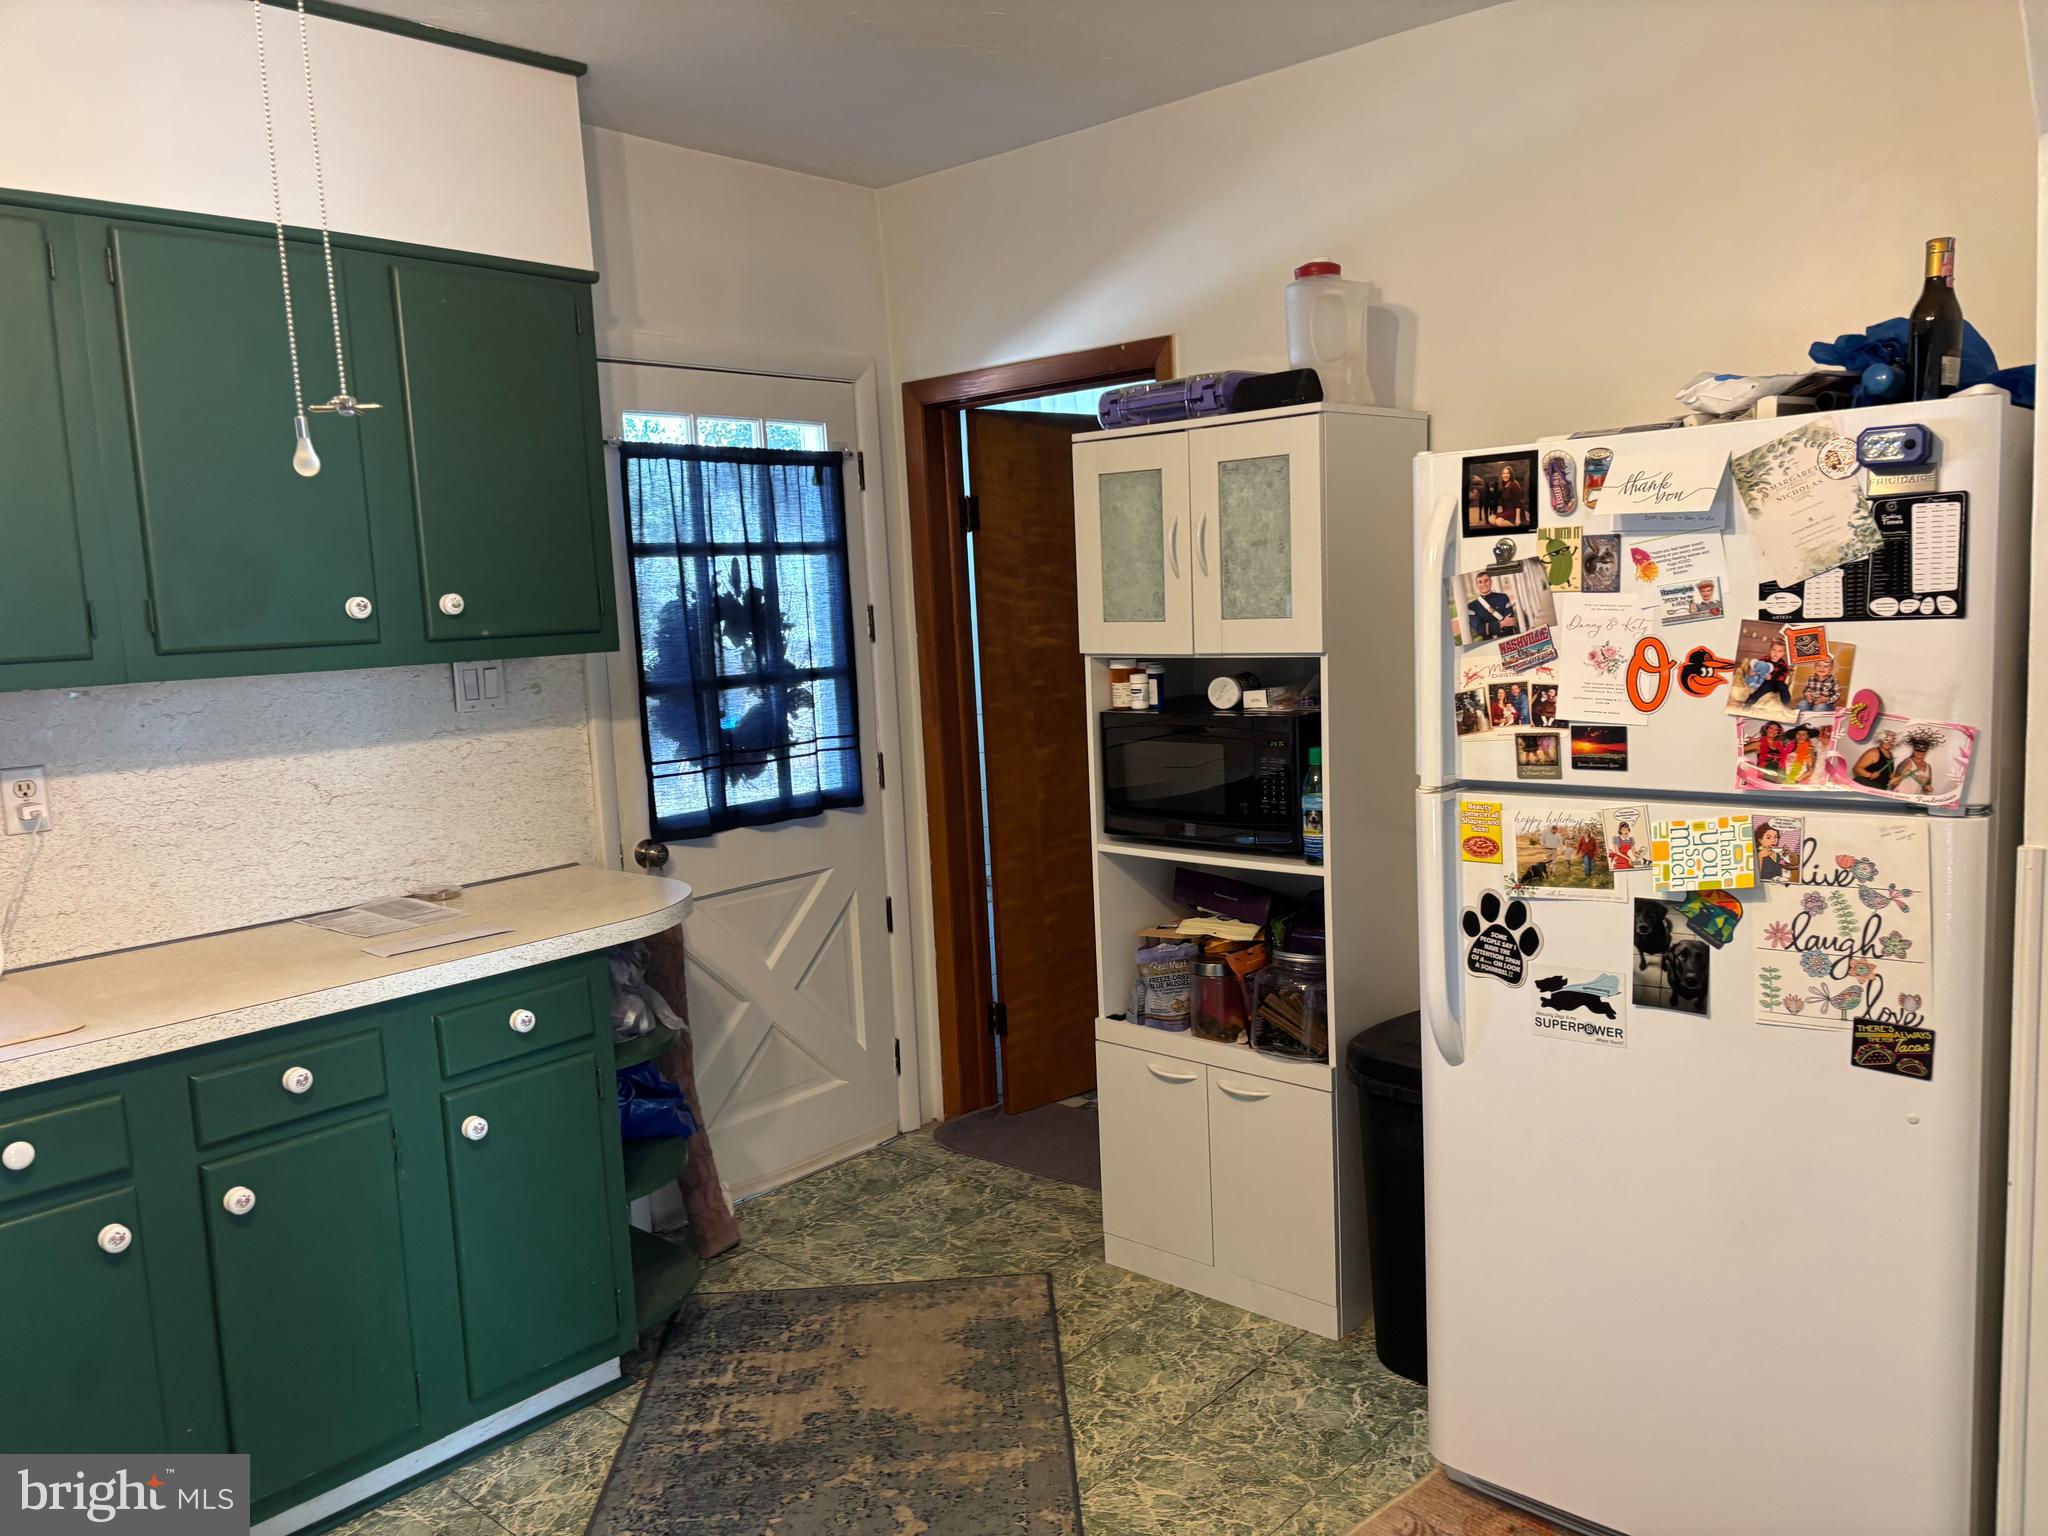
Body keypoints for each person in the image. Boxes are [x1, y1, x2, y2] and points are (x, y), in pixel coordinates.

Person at [1465, 571, 1520, 642]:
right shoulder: (1472, 606)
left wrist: (1489, 628)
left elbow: (1511, 622)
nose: (1484, 584)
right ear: (1476, 585)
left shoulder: (1503, 597)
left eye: (1486, 581)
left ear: (1491, 582)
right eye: (1480, 582)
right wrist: (1502, 623)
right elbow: (1479, 629)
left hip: (1508, 639)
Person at [1892, 727, 1945, 796]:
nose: (1919, 752)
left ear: (1926, 752)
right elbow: (1892, 782)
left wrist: (1928, 788)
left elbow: (1928, 785)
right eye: (1917, 749)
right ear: (1914, 750)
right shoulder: (1907, 762)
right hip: (1900, 796)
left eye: (1922, 750)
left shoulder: (1928, 766)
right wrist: (1902, 776)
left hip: (1914, 798)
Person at [1743, 638, 1793, 710]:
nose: (1776, 653)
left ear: (1783, 653)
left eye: (1779, 651)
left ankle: (1786, 704)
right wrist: (1752, 671)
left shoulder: (1783, 664)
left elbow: (1784, 674)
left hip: (1777, 682)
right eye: (1774, 650)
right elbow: (1755, 665)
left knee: (1784, 687)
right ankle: (1749, 702)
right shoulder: (1764, 659)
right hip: (1767, 682)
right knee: (1760, 690)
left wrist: (1773, 678)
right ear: (1770, 650)